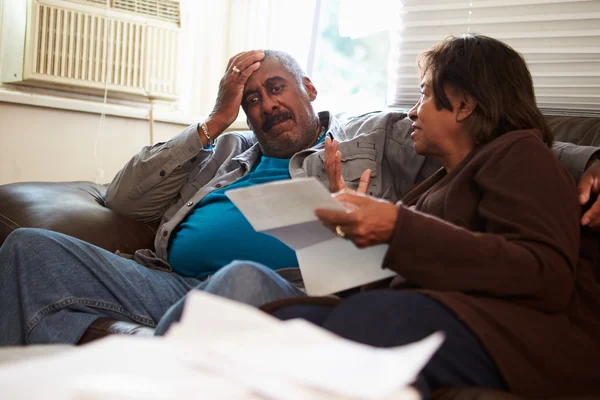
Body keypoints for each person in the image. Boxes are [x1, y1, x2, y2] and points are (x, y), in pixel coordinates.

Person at [1, 49, 599, 346]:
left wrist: (595, 159)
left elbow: (507, 140)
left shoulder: (382, 132)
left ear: (309, 87)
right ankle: (153, 346)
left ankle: (145, 352)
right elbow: (124, 199)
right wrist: (213, 120)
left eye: (277, 88)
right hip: (166, 282)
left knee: (237, 277)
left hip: (277, 291)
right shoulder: (221, 152)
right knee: (28, 249)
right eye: (252, 98)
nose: (266, 105)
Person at [255, 35, 600, 399]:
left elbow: (546, 273)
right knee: (286, 323)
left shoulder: (519, 154)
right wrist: (346, 239)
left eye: (426, 95)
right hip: (443, 317)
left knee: (373, 318)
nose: (412, 111)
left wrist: (396, 227)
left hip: (521, 340)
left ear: (464, 104)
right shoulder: (439, 184)